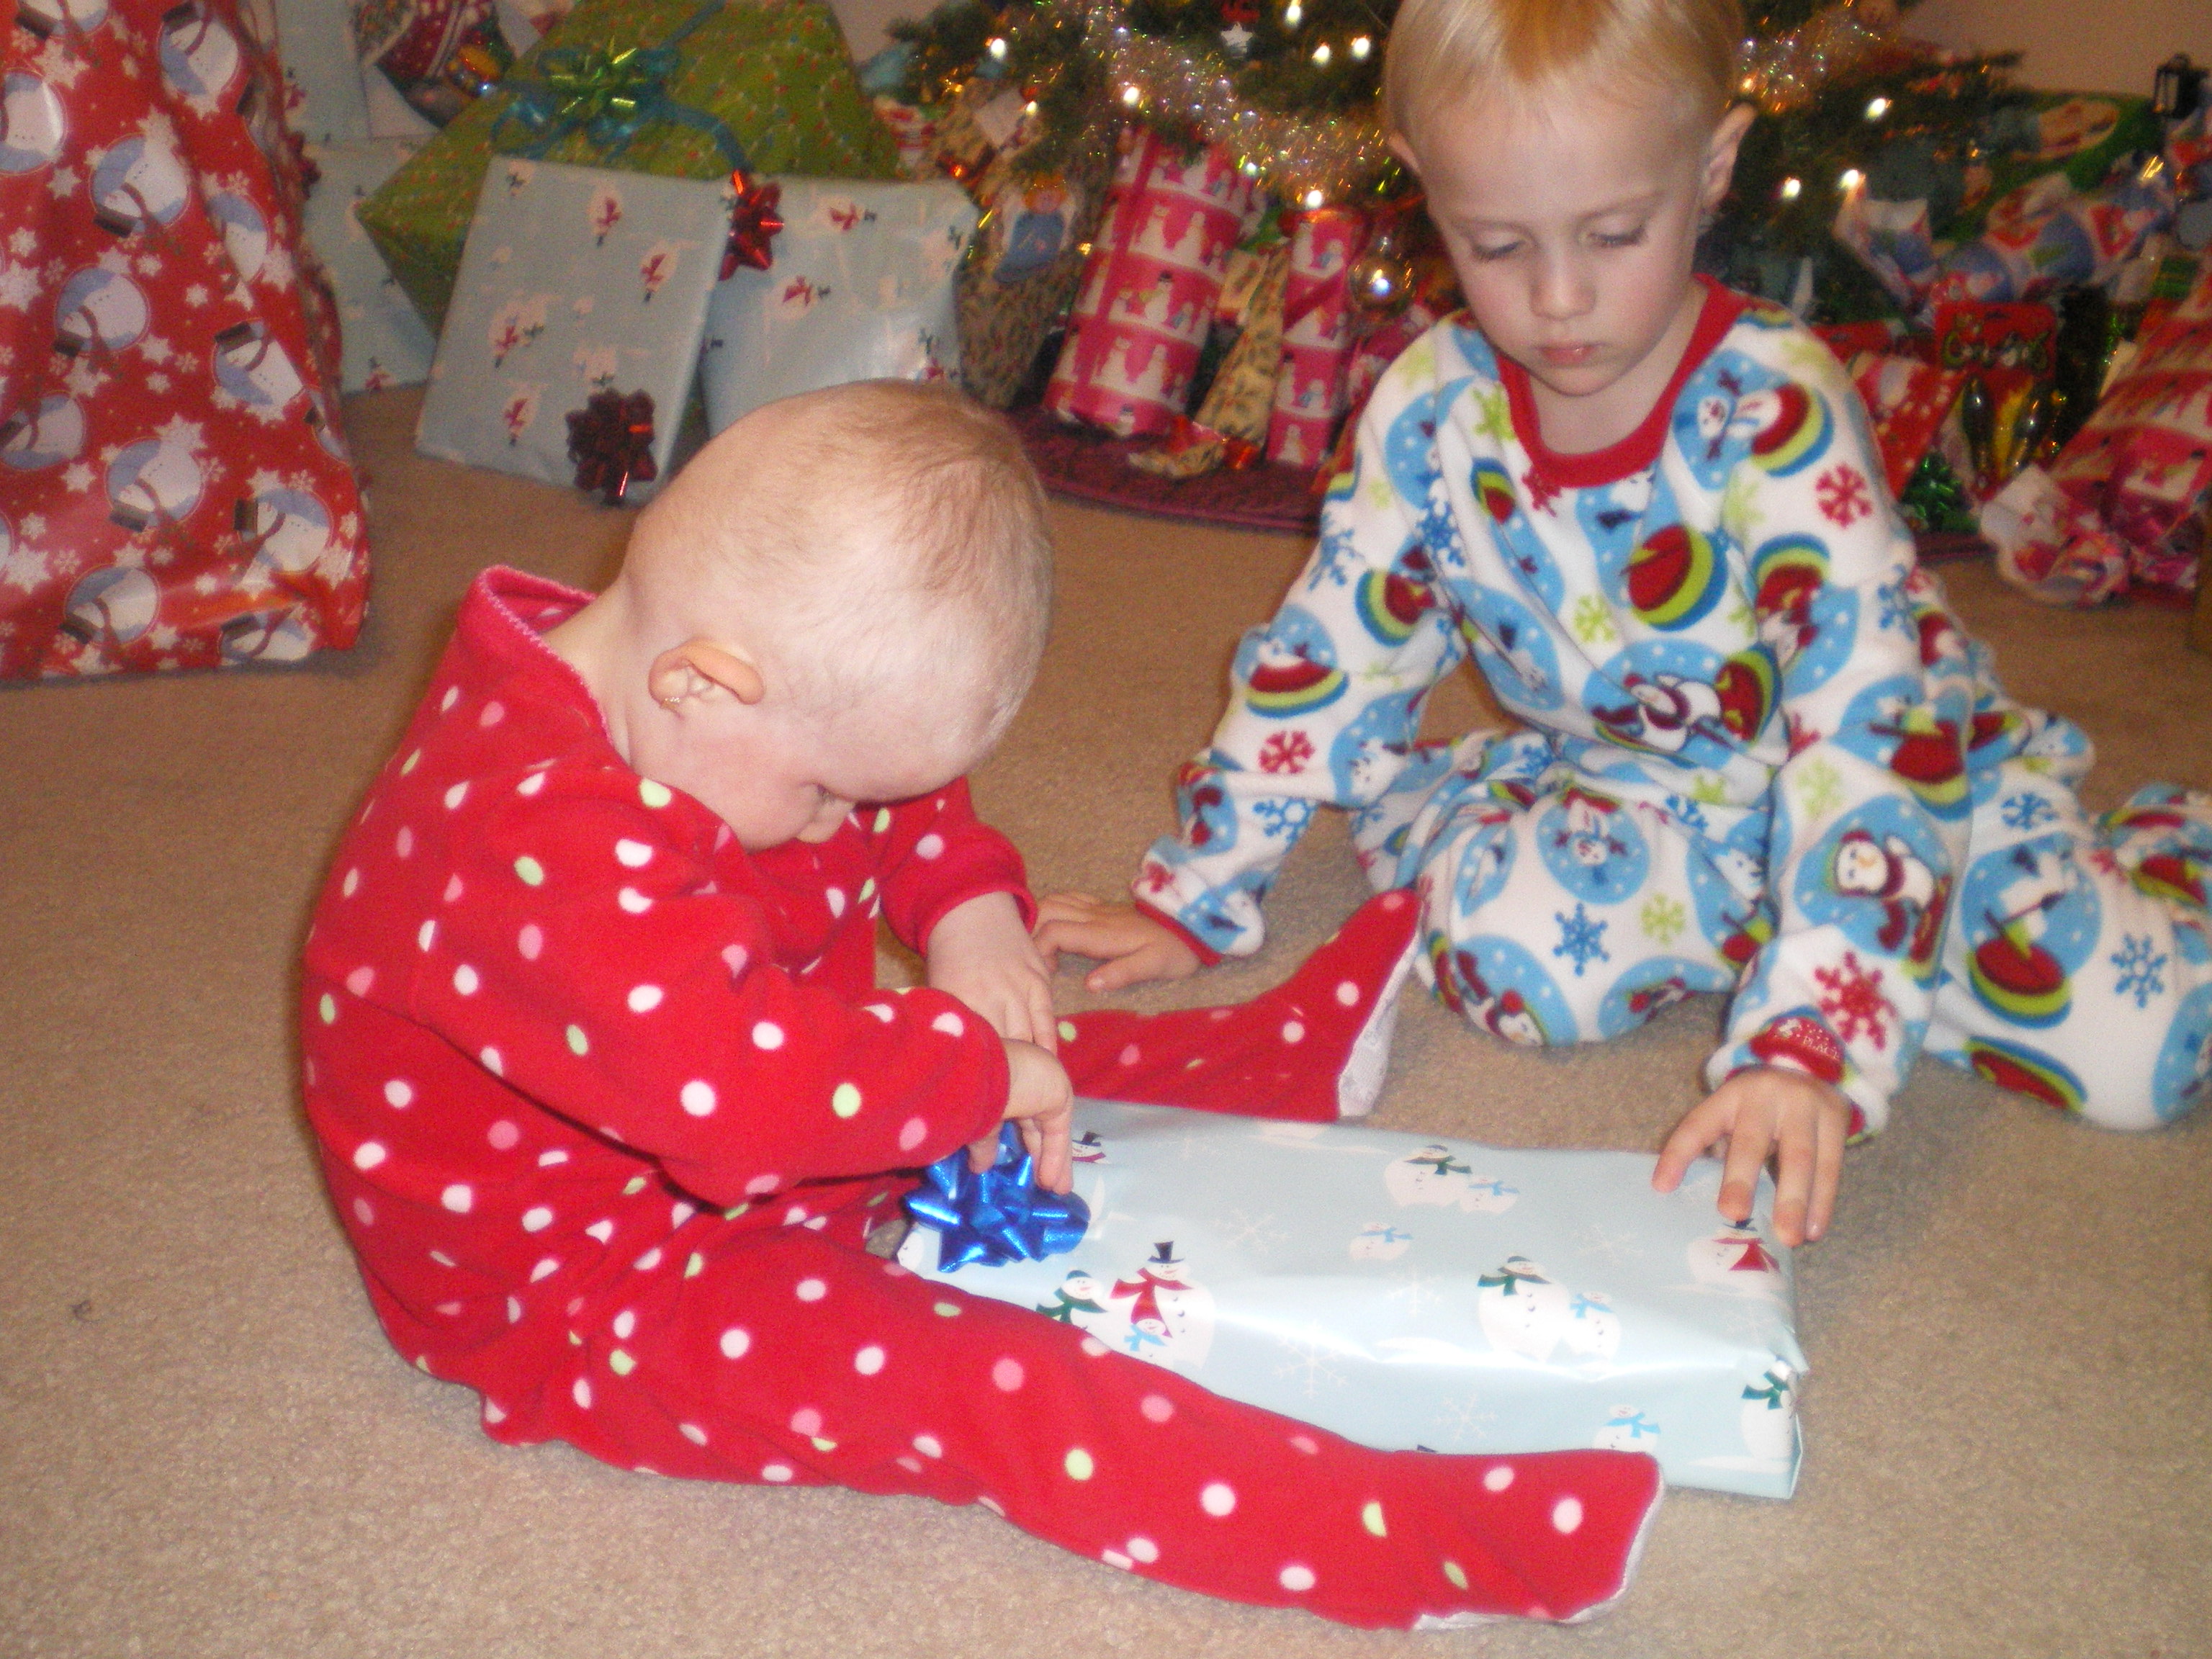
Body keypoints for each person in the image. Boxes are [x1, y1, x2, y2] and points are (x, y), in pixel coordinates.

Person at [299, 379, 1661, 1630]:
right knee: (995, 1385)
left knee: (1006, 1049)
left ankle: (1276, 1052)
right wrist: (974, 1067)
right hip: (594, 1286)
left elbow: (897, 797)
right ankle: (1415, 1536)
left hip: (738, 1094)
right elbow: (746, 1102)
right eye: (831, 787)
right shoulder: (523, 841)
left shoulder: (691, 690)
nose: (846, 821)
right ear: (706, 683)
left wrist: (968, 911)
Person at [1035, 0, 2212, 1254]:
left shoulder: (1774, 407)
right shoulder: (1431, 409)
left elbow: (1870, 720)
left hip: (1895, 775)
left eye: (1613, 234)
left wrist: (1814, 1032)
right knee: (1506, 965)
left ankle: (2141, 853)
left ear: (1711, 169)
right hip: (1645, 788)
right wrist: (1198, 892)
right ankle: (1552, 836)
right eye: (1496, 245)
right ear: (1430, 193)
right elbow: (1334, 649)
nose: (1558, 298)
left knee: (2146, 1053)